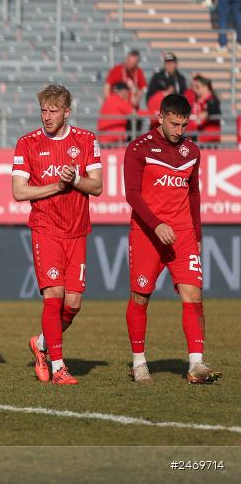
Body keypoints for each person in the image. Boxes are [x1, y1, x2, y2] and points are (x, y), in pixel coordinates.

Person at [123, 94, 221, 384]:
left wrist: (198, 234)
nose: (179, 131)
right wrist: (155, 225)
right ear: (160, 117)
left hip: (183, 234)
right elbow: (132, 194)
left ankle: (196, 365)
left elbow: (193, 193)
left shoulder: (191, 151)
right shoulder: (139, 148)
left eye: (184, 125)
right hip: (147, 233)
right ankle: (139, 363)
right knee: (140, 297)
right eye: (174, 124)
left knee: (194, 295)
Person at [13, 85, 103, 385]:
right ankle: (59, 367)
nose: (47, 116)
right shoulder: (27, 143)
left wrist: (75, 178)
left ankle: (40, 345)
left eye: (53, 111)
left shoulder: (86, 140)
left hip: (77, 230)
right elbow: (18, 191)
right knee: (54, 296)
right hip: (45, 228)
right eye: (43, 110)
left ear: (67, 112)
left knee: (73, 304)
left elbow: (98, 186)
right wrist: (57, 186)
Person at [190, 74, 222, 144]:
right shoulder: (197, 100)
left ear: (205, 87)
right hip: (198, 138)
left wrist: (206, 113)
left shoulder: (211, 100)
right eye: (193, 87)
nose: (194, 89)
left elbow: (215, 111)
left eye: (197, 87)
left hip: (210, 140)